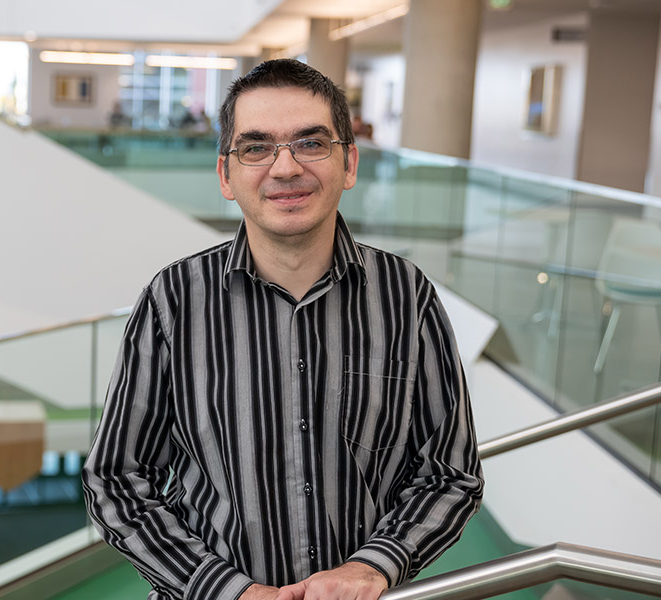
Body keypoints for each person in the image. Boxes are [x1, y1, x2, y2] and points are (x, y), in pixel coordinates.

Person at [83, 59, 483, 600]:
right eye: (256, 147)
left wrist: (374, 567)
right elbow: (117, 479)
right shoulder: (174, 299)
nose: (286, 167)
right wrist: (226, 590)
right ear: (227, 175)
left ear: (349, 163)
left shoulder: (405, 295)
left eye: (311, 143)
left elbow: (448, 471)